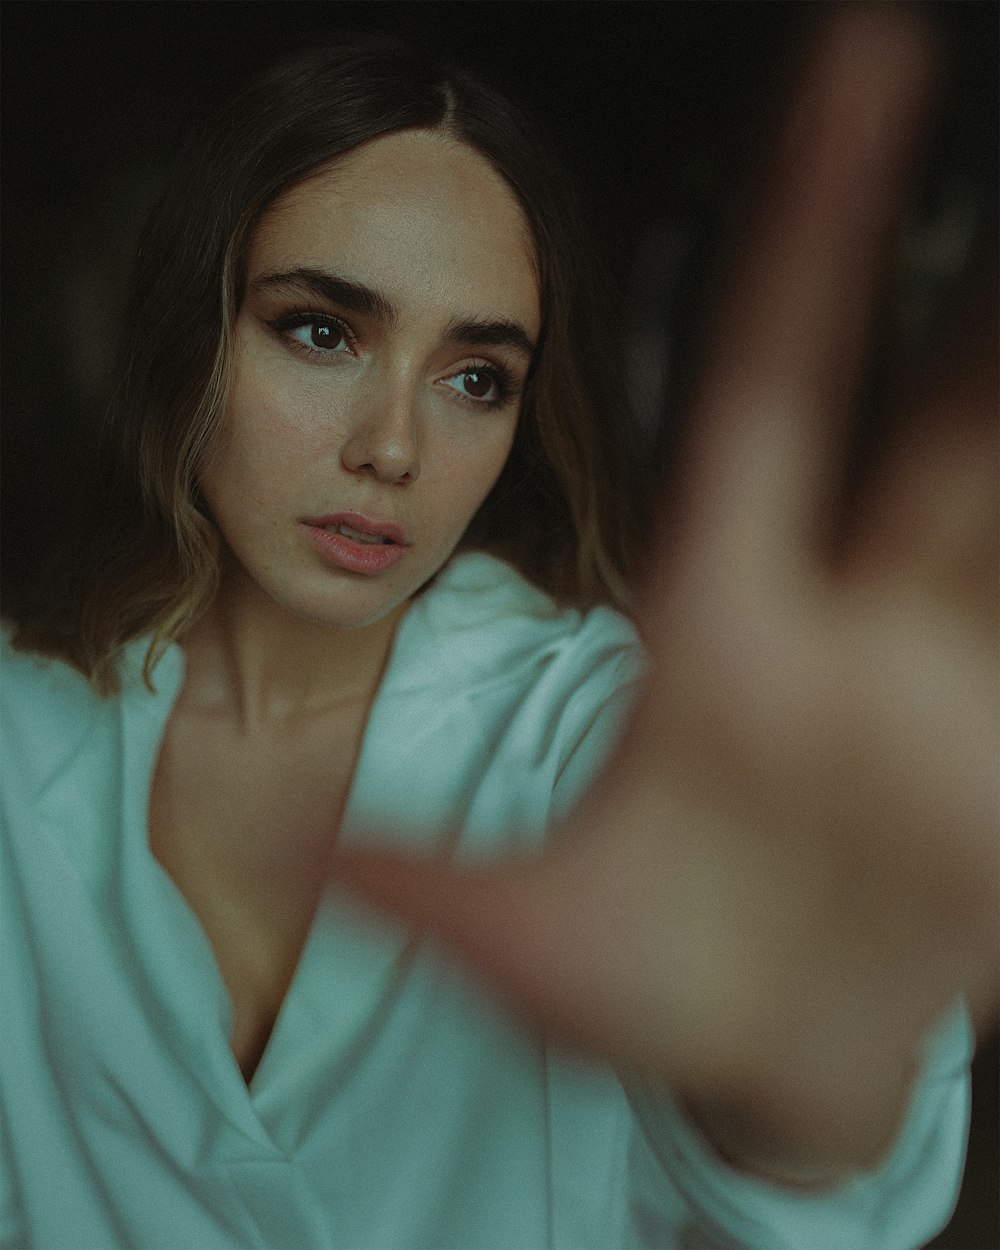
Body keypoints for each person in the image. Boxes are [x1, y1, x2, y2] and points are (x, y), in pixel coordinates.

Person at [1, 8, 995, 1249]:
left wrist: (796, 1091)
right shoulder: (18, 731)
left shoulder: (597, 727)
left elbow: (806, 1167)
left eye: (477, 378)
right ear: (189, 329)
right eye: (322, 329)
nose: (395, 448)